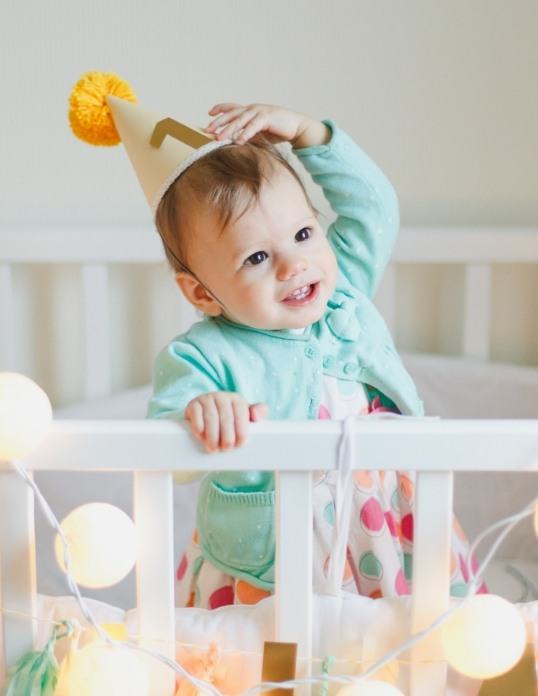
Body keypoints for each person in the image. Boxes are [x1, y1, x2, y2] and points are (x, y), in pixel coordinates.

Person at [147, 102, 477, 608]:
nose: (294, 265)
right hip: (270, 559)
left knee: (405, 644)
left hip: (389, 525)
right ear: (201, 294)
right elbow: (163, 450)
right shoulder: (202, 355)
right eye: (257, 257)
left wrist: (309, 134)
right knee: (262, 668)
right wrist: (200, 411)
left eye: (303, 234)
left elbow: (375, 206)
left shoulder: (343, 289)